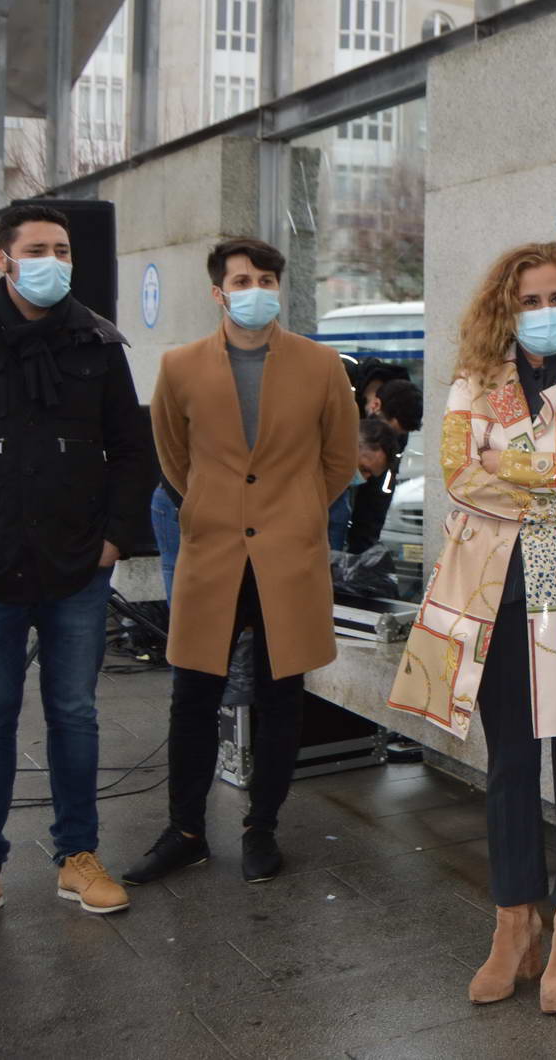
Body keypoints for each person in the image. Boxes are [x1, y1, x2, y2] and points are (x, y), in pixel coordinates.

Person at [387, 242, 556, 1010]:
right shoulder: (475, 383)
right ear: (506, 309)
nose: (542, 313)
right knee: (508, 767)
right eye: (527, 301)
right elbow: (461, 478)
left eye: (554, 298)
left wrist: (517, 466)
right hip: (494, 595)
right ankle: (513, 924)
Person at [0, 203, 153, 934]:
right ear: (2, 259)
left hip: (77, 564)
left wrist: (114, 543)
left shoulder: (98, 340)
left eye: (64, 249)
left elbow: (130, 449)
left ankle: (78, 855)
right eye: (38, 248)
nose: (54, 260)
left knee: (75, 713)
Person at [125, 237, 356, 886]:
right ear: (218, 292)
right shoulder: (180, 367)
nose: (255, 289)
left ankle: (262, 827)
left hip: (287, 556)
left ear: (279, 287)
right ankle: (186, 831)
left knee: (281, 694)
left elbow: (338, 461)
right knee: (193, 693)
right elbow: (175, 459)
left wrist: (299, 510)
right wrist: (210, 506)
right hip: (212, 552)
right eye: (242, 279)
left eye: (266, 279)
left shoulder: (320, 365)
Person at [345, 375, 423, 555]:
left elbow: (377, 498)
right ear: (375, 405)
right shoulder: (341, 391)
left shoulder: (395, 438)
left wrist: (361, 554)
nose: (387, 437)